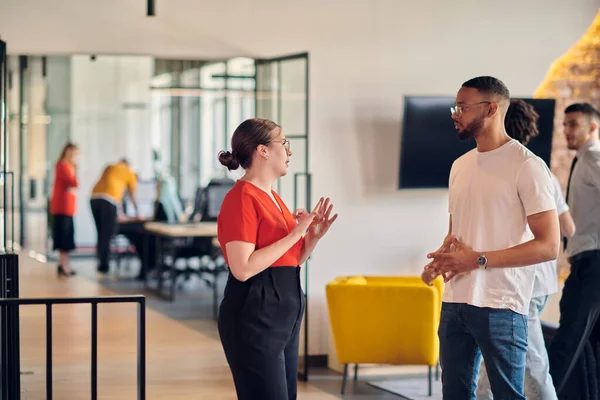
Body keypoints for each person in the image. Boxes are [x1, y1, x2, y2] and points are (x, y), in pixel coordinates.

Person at [424, 76, 560, 399]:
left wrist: (477, 259)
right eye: (454, 107)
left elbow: (549, 245)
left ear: (491, 109)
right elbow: (456, 234)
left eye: (463, 106)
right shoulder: (459, 166)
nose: (455, 113)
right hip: (455, 302)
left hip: (502, 306)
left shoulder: (527, 166)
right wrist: (441, 260)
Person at [216, 118, 337, 400]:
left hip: (284, 317)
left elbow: (290, 260)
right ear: (263, 151)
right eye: (284, 143)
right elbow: (243, 268)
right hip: (254, 318)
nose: (289, 151)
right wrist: (297, 232)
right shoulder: (241, 199)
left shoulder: (273, 197)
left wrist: (312, 237)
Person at [474, 99, 575, 399]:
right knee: (488, 368)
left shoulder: (524, 168)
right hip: (528, 284)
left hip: (524, 286)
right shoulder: (538, 169)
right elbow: (567, 228)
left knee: (532, 368)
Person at [547, 102, 600, 397]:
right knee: (590, 347)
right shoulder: (586, 158)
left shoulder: (592, 155)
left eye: (573, 124)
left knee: (567, 341)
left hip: (593, 263)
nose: (566, 130)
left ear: (593, 127)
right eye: (565, 124)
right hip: (590, 260)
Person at [90, 158, 138, 274]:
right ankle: (104, 266)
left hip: (94, 198)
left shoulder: (109, 166)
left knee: (101, 233)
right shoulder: (129, 171)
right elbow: (132, 194)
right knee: (107, 234)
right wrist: (138, 212)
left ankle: (101, 262)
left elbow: (109, 185)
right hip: (108, 200)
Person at [49, 142, 80, 276]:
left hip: (68, 208)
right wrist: (74, 171)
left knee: (67, 237)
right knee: (63, 238)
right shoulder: (62, 166)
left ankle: (64, 265)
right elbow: (73, 183)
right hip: (62, 208)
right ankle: (63, 265)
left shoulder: (68, 167)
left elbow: (74, 186)